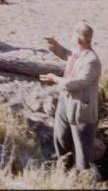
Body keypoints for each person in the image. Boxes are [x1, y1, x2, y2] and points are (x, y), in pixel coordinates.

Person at [39, 22, 101, 171]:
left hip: (81, 111)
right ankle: (64, 173)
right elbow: (69, 56)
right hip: (64, 105)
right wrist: (56, 47)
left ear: (79, 40)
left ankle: (83, 179)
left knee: (82, 153)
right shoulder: (78, 52)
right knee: (60, 141)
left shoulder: (92, 60)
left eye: (73, 36)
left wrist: (54, 79)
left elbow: (76, 84)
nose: (71, 38)